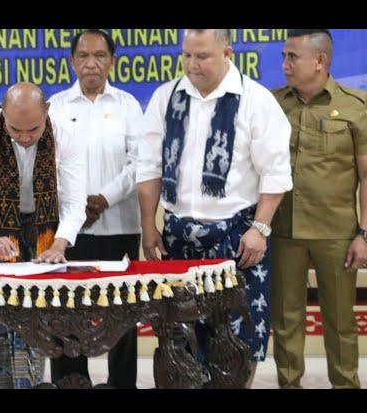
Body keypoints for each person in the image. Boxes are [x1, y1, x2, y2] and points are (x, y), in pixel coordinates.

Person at [136, 29, 292, 388]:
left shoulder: (256, 100)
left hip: (238, 240)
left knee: (237, 344)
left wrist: (261, 229)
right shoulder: (167, 97)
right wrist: (148, 224)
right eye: (187, 56)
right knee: (181, 343)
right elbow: (148, 167)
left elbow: (276, 173)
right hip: (178, 240)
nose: (192, 65)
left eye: (202, 56)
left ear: (228, 53)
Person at [0, 82, 86, 388]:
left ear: (47, 112)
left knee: (30, 320)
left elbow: (75, 204)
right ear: (3, 113)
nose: (23, 138)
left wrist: (59, 245)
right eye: (14, 129)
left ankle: (28, 385)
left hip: (41, 225)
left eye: (32, 130)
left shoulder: (67, 133)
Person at [271, 29, 367, 389]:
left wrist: (364, 234)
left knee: (341, 322)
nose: (284, 65)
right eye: (284, 56)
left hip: (336, 234)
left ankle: (345, 385)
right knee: (286, 321)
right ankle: (288, 384)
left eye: (292, 57)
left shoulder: (357, 106)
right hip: (283, 230)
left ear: (320, 60)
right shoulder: (273, 104)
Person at [47, 29, 141, 388]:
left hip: (120, 225)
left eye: (100, 56)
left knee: (122, 314)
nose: (92, 63)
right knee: (67, 314)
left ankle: (122, 384)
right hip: (68, 232)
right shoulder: (55, 106)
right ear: (73, 62)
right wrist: (75, 206)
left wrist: (103, 199)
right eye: (84, 56)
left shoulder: (128, 105)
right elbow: (46, 166)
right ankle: (71, 382)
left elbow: (138, 164)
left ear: (112, 61)